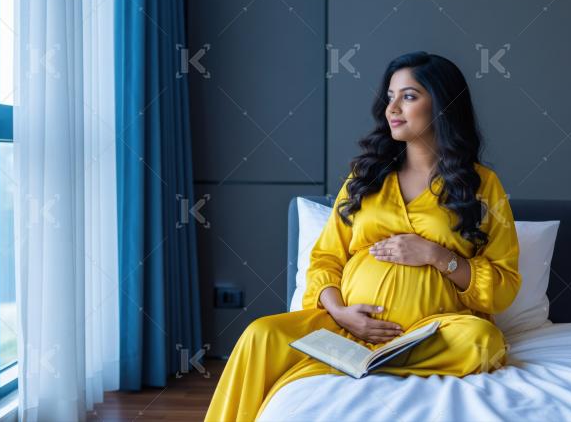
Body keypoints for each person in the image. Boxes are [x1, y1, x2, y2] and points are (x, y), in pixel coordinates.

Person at [204, 51, 522, 422]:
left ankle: (373, 361)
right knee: (261, 333)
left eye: (409, 95)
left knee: (483, 342)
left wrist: (437, 255)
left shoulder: (481, 185)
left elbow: (504, 284)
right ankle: (355, 354)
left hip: (432, 332)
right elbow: (325, 258)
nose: (392, 108)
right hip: (344, 327)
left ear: (443, 104)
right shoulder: (366, 176)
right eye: (390, 96)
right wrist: (340, 312)